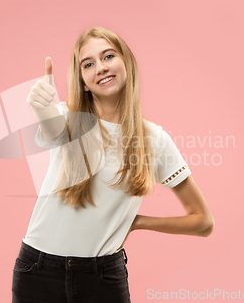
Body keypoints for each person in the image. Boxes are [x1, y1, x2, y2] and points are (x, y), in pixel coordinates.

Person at [12, 26, 214, 303]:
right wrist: (41, 107)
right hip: (38, 271)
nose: (101, 68)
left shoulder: (154, 139)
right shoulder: (67, 119)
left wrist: (137, 222)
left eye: (108, 56)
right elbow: (53, 128)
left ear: (126, 63)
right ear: (83, 81)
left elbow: (203, 222)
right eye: (88, 64)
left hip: (102, 277)